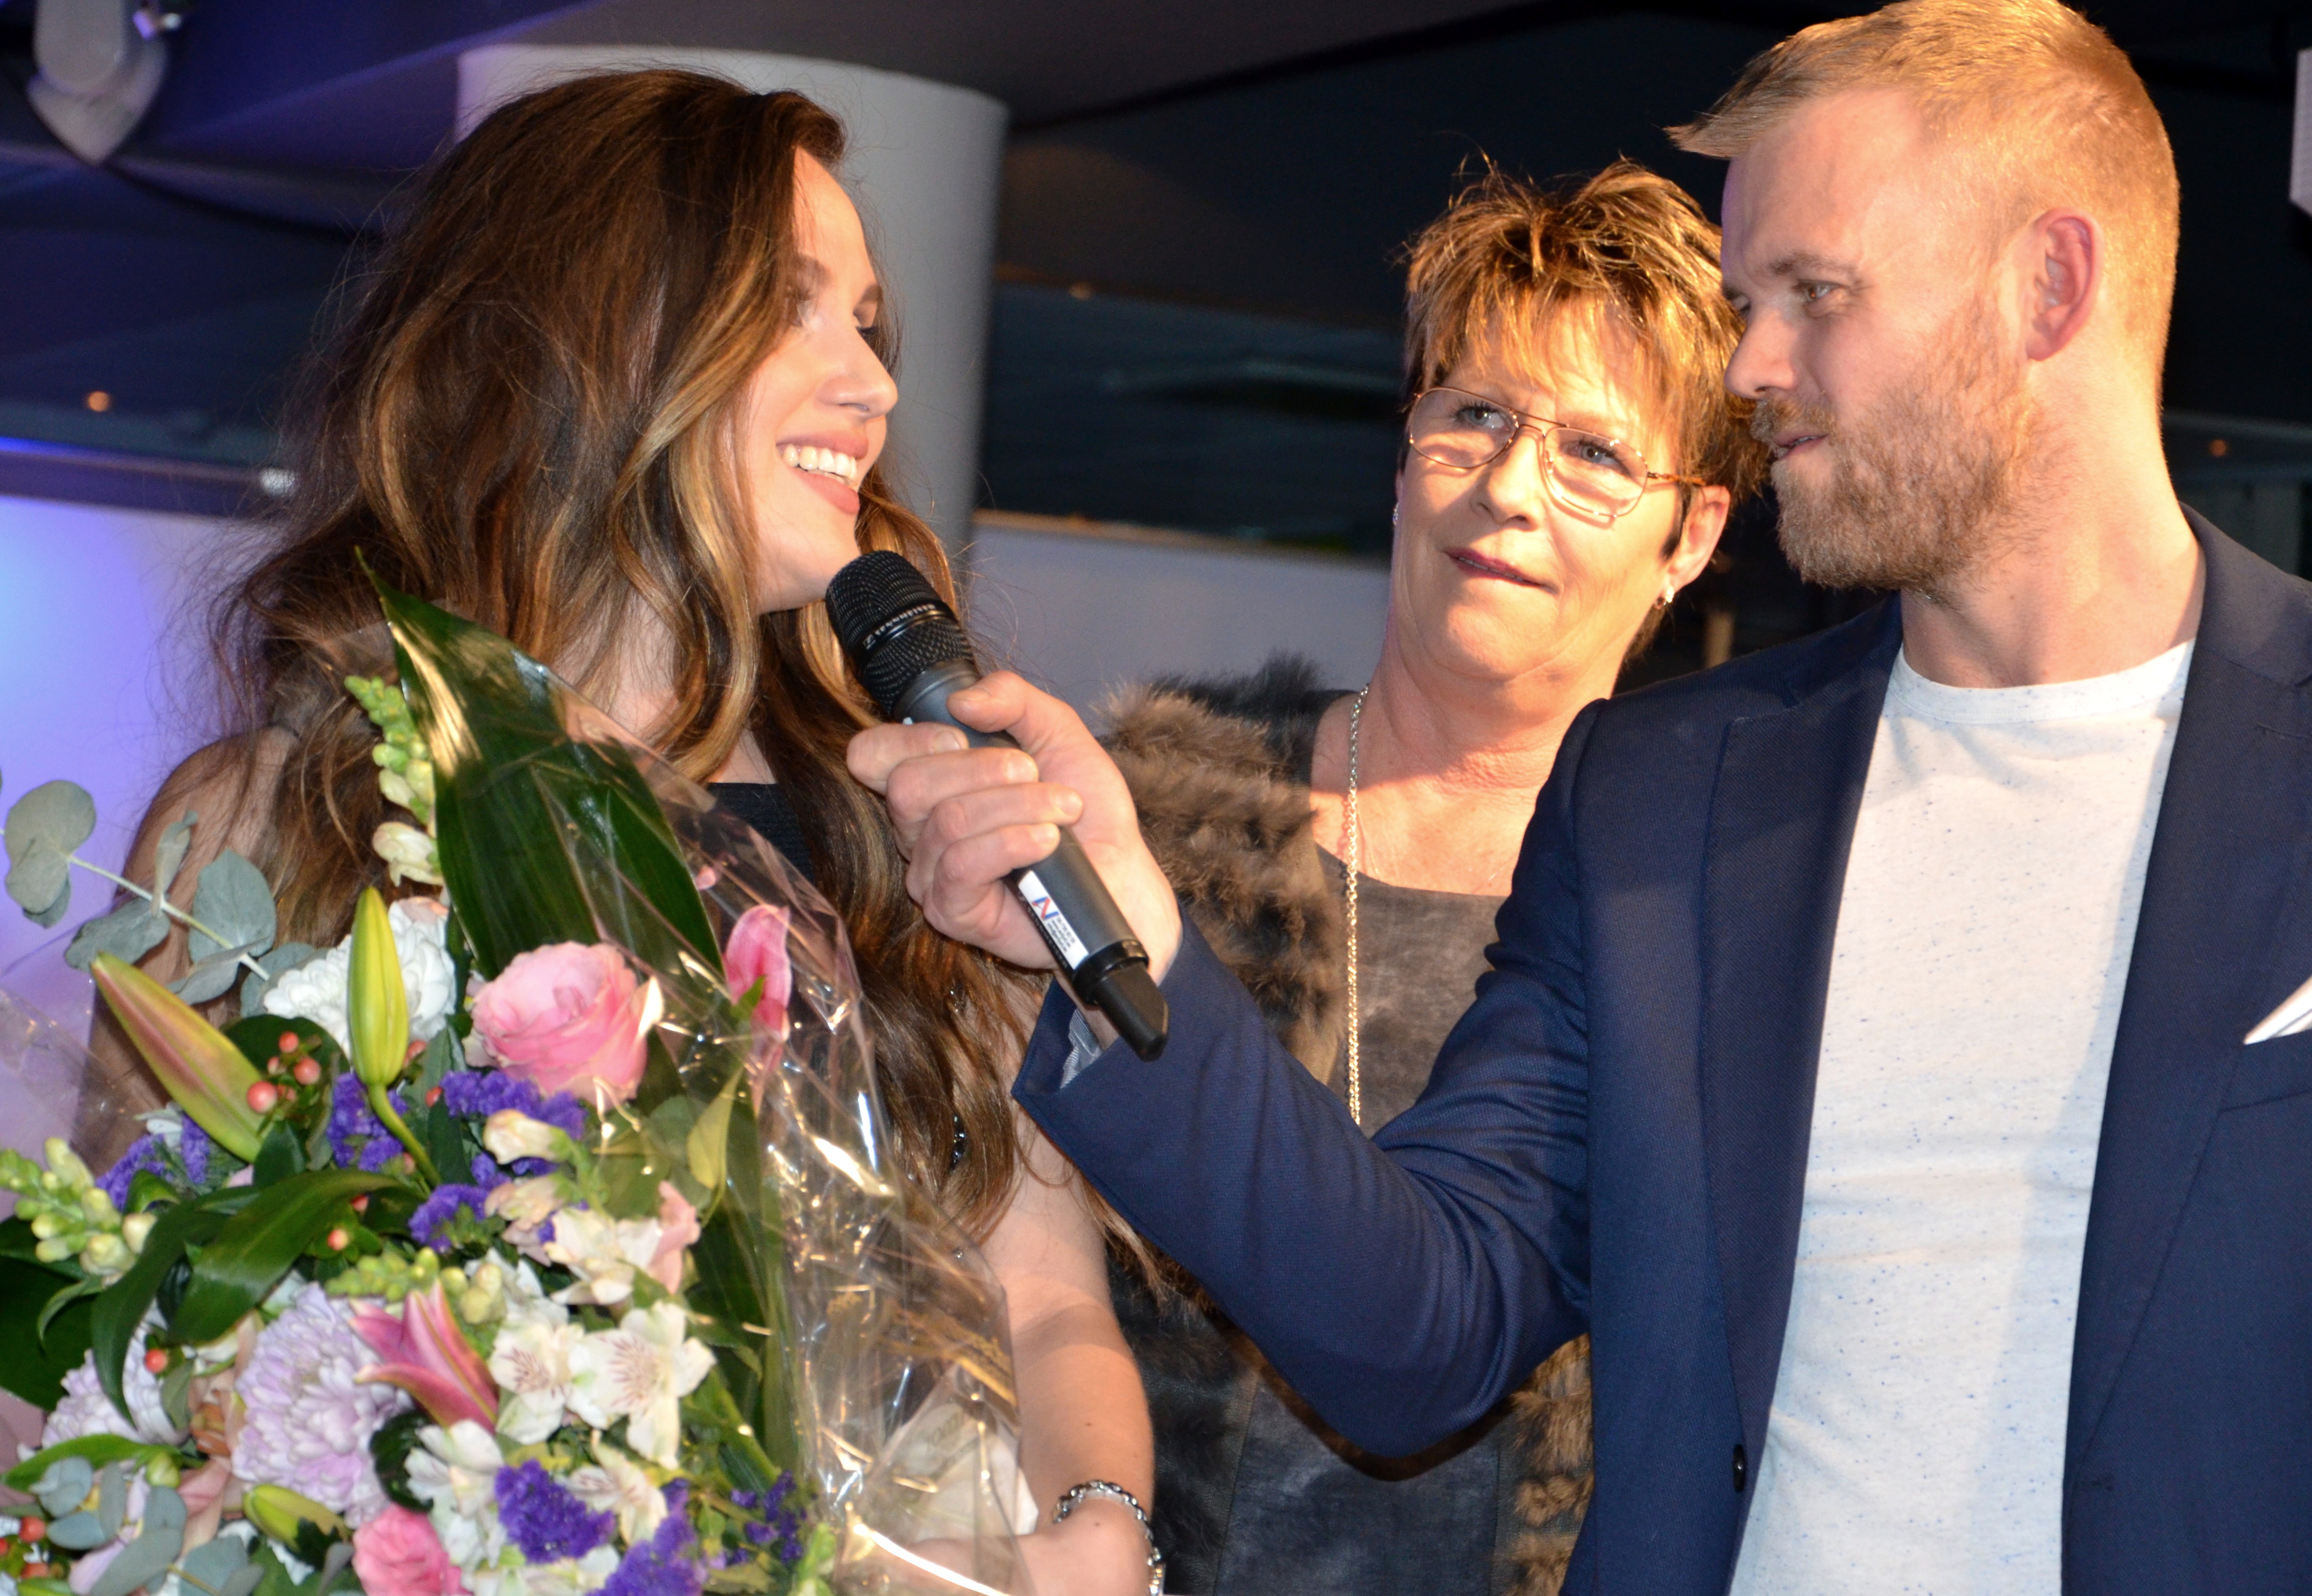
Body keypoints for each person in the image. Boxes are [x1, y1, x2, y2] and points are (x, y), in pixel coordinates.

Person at [852, 0, 2312, 1590]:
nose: (1754, 369)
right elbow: (1418, 1331)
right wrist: (1132, 935)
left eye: (1816, 294)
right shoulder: (1668, 796)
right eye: (1749, 305)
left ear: (2052, 286)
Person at [107, 71, 1155, 1596]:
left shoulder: (917, 823)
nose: (872, 387)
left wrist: (1100, 1536)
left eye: (871, 326)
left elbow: (1049, 1305)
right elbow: (124, 1339)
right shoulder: (280, 819)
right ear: (587, 334)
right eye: (791, 307)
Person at [1091, 162, 1761, 1596]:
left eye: (1595, 453)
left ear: (1693, 537)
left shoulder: (1717, 920)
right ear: (1403, 458)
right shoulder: (1144, 823)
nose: (1510, 488)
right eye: (1475, 417)